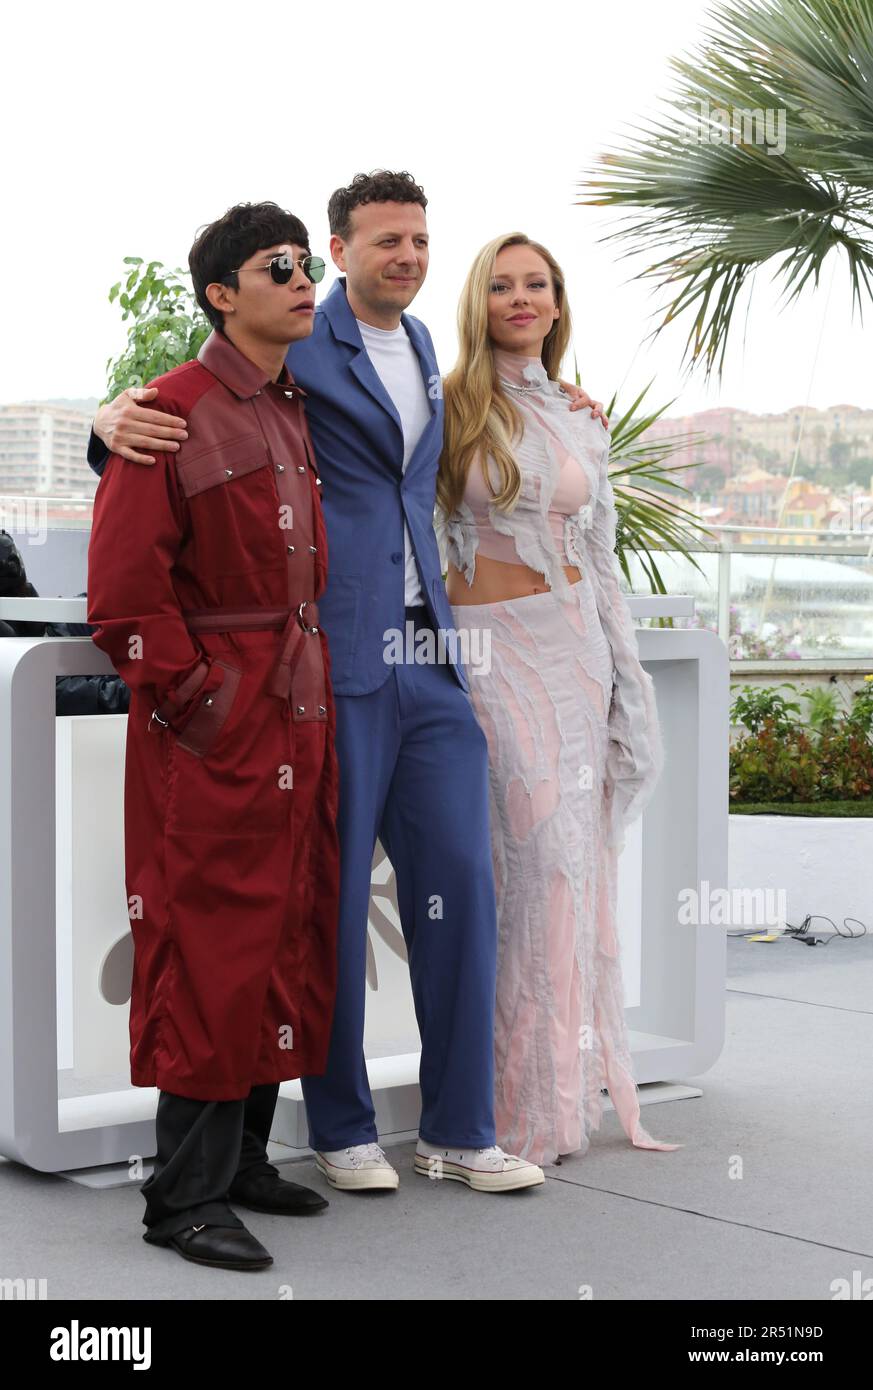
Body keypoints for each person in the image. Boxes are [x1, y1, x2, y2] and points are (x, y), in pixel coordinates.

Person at [88, 171, 604, 1197]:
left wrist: (557, 390)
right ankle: (341, 1125)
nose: (406, 256)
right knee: (318, 902)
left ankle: (460, 1127)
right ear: (339, 251)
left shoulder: (427, 353)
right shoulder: (292, 351)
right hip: (327, 663)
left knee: (461, 884)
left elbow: (479, 442)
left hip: (433, 654)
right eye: (385, 242)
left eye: (419, 240)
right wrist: (106, 425)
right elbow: (179, 417)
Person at [86, 201, 342, 1271]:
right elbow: (126, 596)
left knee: (284, 929)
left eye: (308, 262)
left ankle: (240, 1160)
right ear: (220, 294)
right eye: (277, 266)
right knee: (207, 942)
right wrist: (202, 706)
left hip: (299, 714)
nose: (302, 278)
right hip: (219, 731)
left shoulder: (291, 409)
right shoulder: (167, 413)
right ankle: (178, 1199)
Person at [437, 233, 682, 1166]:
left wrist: (627, 684)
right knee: (526, 867)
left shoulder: (584, 415)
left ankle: (561, 1100)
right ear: (479, 302)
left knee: (574, 877)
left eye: (535, 283)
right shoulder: (449, 403)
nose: (520, 298)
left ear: (556, 298)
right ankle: (501, 1111)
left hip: (575, 653)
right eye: (501, 285)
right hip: (490, 660)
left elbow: (604, 558)